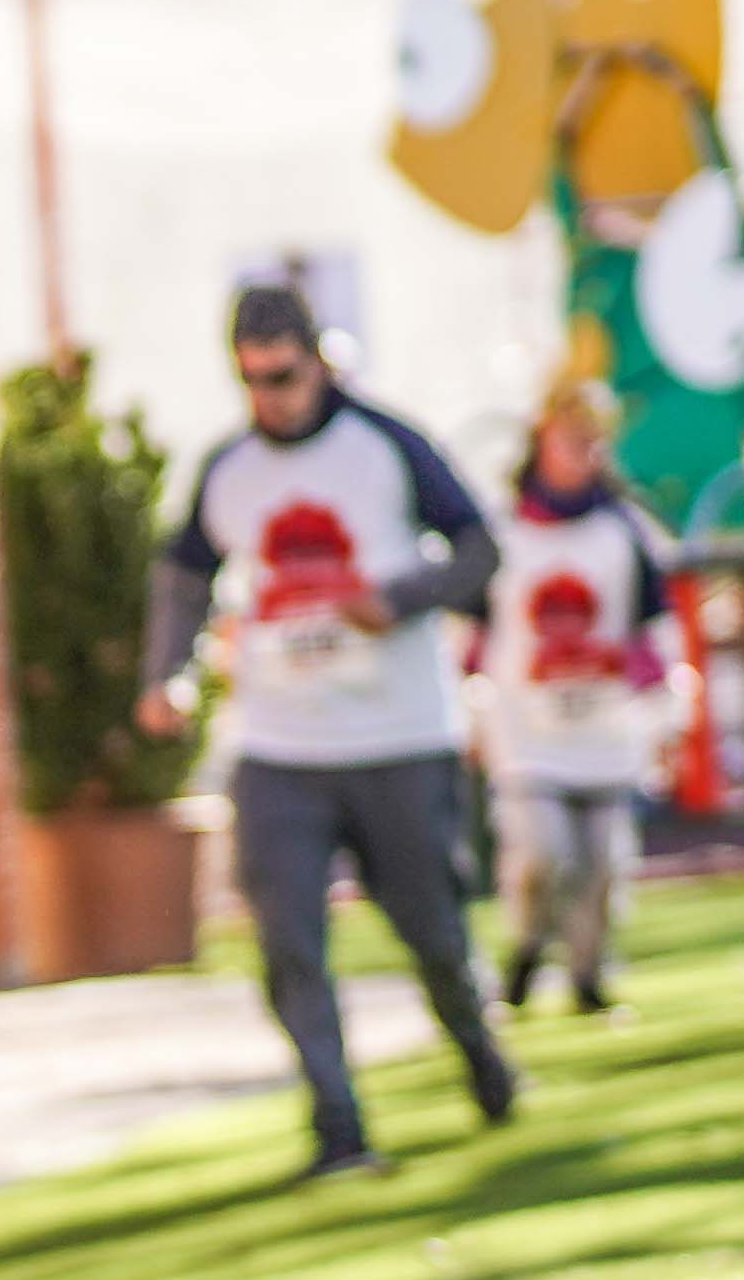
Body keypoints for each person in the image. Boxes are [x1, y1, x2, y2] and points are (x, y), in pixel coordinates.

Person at [131, 283, 523, 1179]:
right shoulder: (226, 470)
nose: (273, 396)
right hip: (279, 745)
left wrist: (398, 598)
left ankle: (481, 1054)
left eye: (286, 374)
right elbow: (186, 577)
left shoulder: (388, 446)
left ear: (319, 360)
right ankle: (338, 1127)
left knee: (431, 930)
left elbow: (478, 549)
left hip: (399, 735)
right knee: (289, 942)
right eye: (254, 380)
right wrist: (166, 675)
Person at [477, 381, 679, 1021]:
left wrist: (665, 707)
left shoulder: (625, 532)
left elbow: (652, 631)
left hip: (605, 723)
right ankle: (528, 947)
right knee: (543, 852)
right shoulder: (503, 532)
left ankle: (588, 977)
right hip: (527, 725)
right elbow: (472, 632)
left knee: (601, 865)